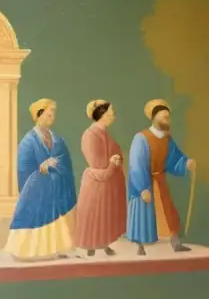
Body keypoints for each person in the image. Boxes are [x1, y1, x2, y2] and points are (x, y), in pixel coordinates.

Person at [5, 98, 77, 260]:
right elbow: (23, 168)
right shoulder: (28, 141)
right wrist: (40, 169)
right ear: (38, 115)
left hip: (54, 189)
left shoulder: (58, 140)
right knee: (33, 218)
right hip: (36, 190)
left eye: (53, 113)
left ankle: (53, 250)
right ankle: (26, 252)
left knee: (54, 220)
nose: (52, 115)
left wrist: (55, 162)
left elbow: (65, 160)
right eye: (48, 112)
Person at [126, 99, 195, 256]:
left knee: (168, 211)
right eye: (164, 117)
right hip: (144, 182)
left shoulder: (167, 139)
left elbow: (175, 158)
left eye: (168, 117)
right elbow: (136, 164)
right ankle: (140, 245)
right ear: (154, 117)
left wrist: (186, 163)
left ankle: (175, 243)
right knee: (143, 213)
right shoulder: (141, 138)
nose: (166, 120)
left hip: (160, 180)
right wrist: (143, 187)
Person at [75, 100, 126, 256]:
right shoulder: (90, 135)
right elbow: (96, 162)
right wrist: (111, 163)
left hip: (108, 181)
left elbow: (116, 151)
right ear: (101, 114)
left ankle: (103, 243)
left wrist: (117, 158)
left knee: (105, 214)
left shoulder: (105, 133)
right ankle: (91, 247)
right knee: (94, 214)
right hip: (96, 181)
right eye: (109, 113)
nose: (112, 116)